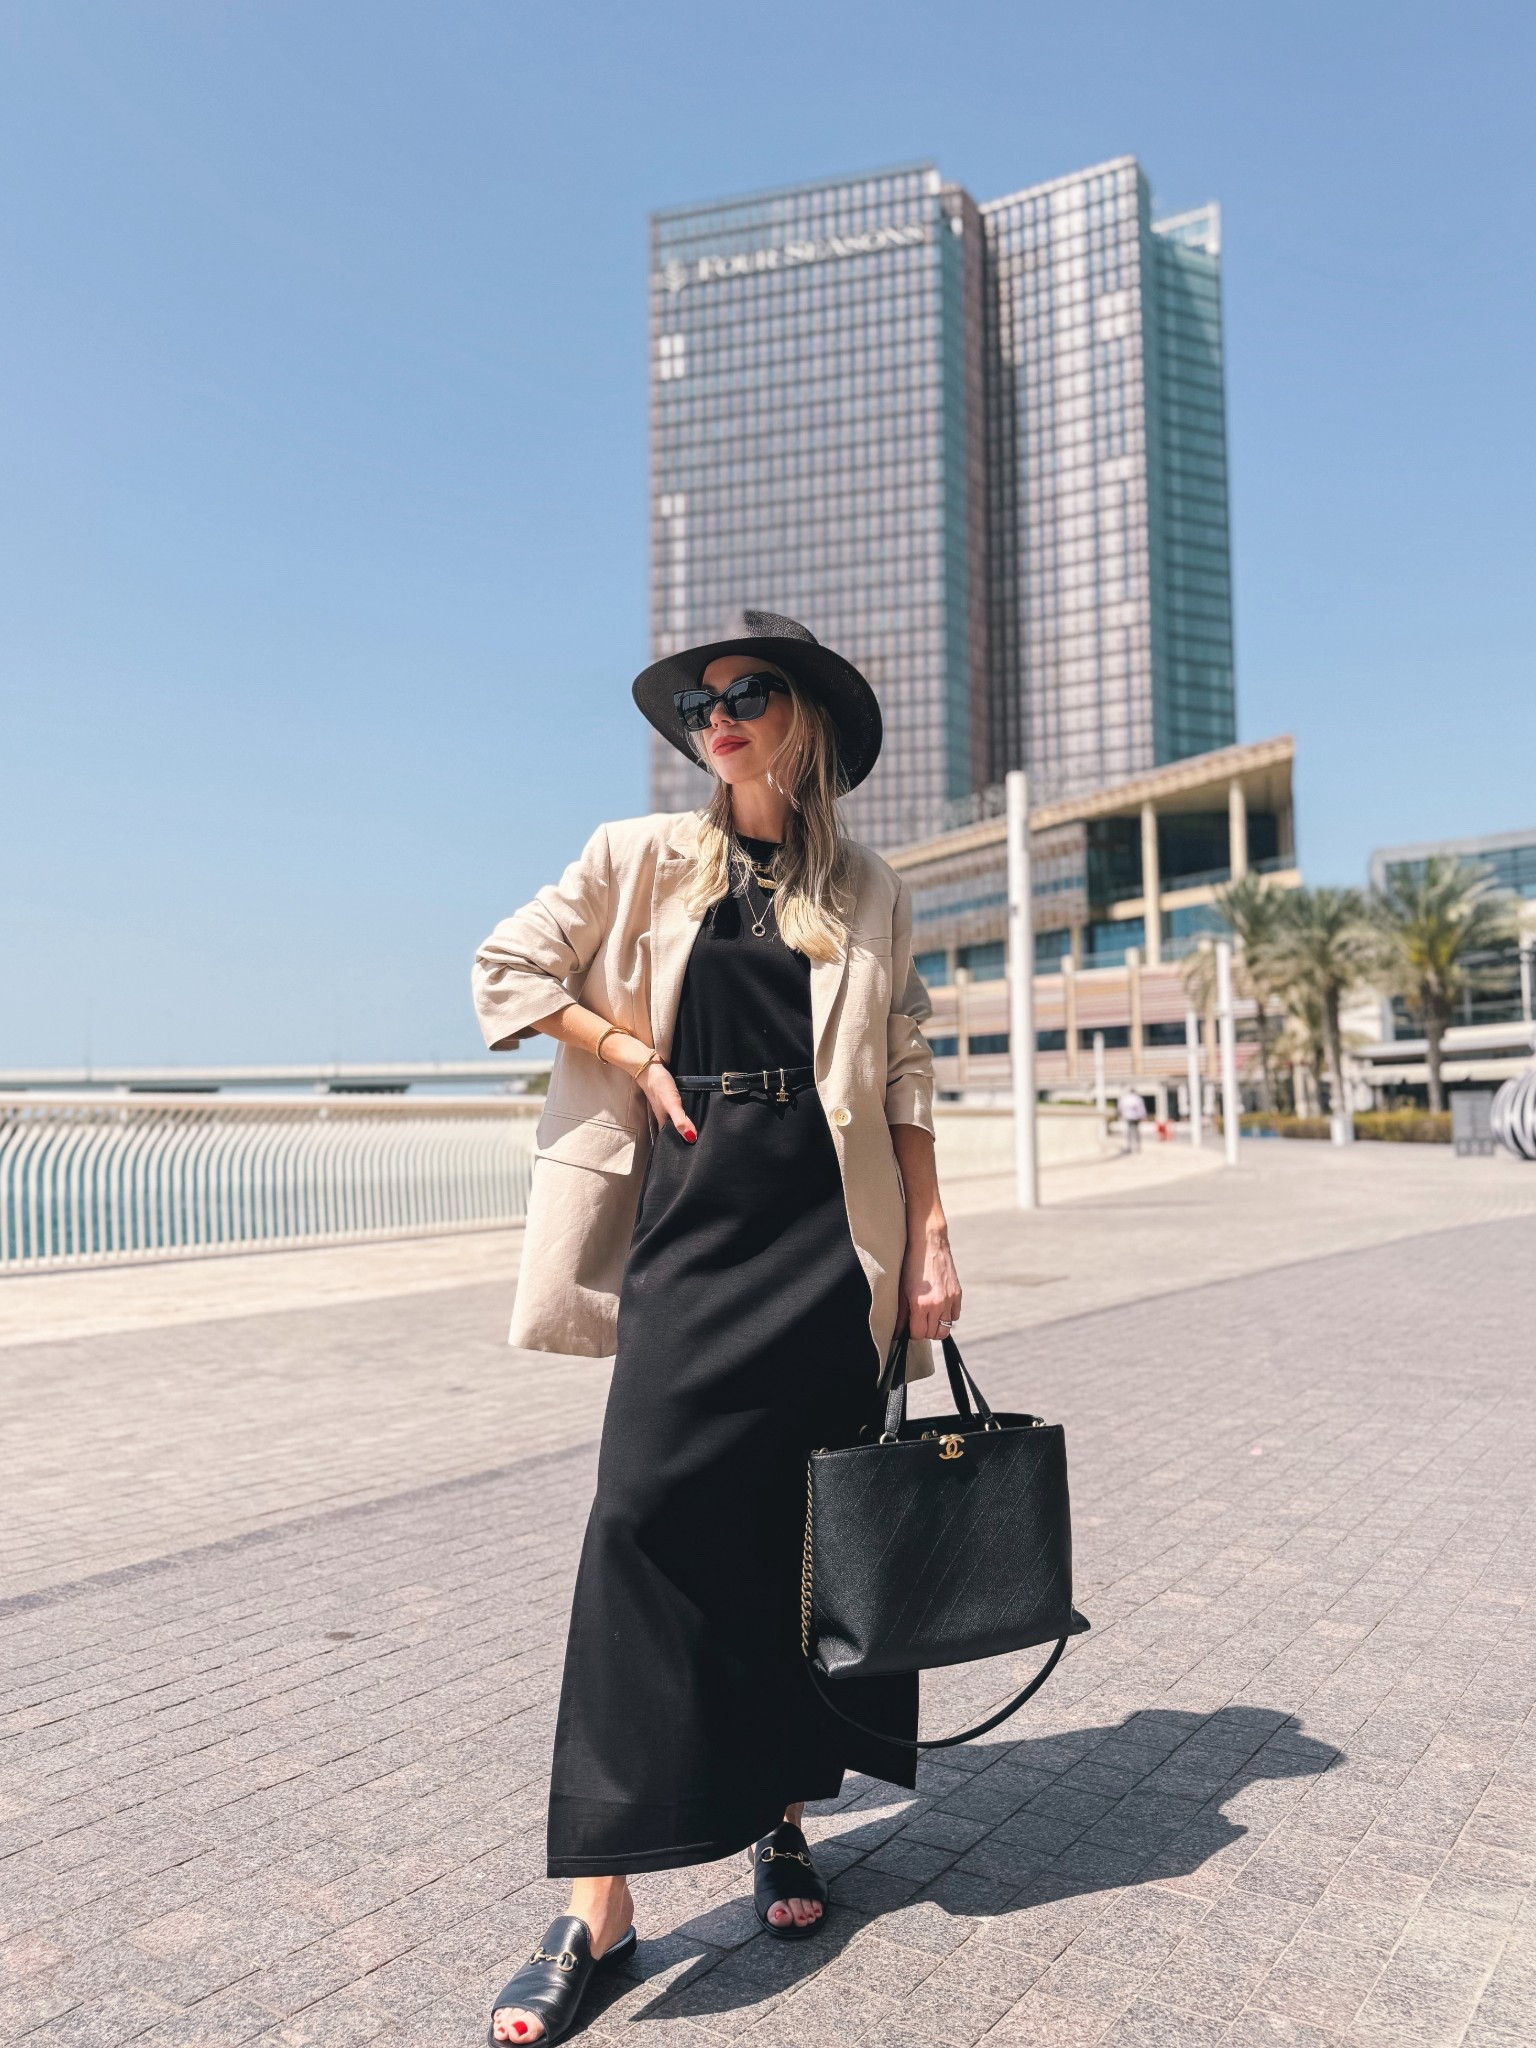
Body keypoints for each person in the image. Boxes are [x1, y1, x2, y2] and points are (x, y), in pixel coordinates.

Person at [472, 611, 962, 2045]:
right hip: (689, 1245)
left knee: (805, 1550)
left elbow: (909, 1062)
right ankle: (596, 1904)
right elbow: (509, 967)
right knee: (640, 1526)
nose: (718, 711)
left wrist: (931, 1234)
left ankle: (783, 1821)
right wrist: (628, 1050)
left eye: (749, 692)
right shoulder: (638, 859)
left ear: (803, 718)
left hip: (828, 1251)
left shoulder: (873, 889)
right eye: (704, 696)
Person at [1118, 1083, 1147, 1153]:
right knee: (1136, 1131)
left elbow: (1120, 1108)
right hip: (1136, 1117)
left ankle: (1129, 1146)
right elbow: (1141, 1109)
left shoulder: (1124, 1098)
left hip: (1128, 1117)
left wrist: (1121, 1115)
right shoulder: (1138, 1098)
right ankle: (1138, 1146)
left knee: (1129, 1131)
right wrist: (1142, 1116)